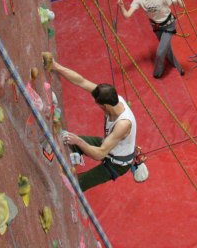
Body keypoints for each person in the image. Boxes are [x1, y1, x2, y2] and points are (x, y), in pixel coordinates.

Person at [49, 58, 138, 190]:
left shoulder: (123, 125)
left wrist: (79, 141)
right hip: (108, 145)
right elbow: (81, 81)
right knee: (67, 140)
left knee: (76, 185)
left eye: (99, 106)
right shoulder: (113, 98)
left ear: (106, 106)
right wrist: (56, 66)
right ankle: (64, 161)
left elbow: (100, 154)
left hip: (117, 163)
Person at [117, 0, 185, 78]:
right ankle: (176, 65)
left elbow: (182, 5)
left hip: (169, 26)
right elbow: (127, 15)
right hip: (156, 26)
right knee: (166, 47)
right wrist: (122, 6)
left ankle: (158, 73)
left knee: (160, 52)